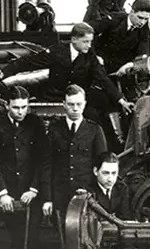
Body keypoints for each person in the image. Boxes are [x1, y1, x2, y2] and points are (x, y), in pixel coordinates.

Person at [0, 23, 133, 148]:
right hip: (57, 95)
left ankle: (112, 147)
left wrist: (121, 100)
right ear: (74, 40)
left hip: (80, 96)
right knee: (90, 115)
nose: (89, 46)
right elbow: (29, 62)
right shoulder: (57, 51)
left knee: (102, 106)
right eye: (85, 42)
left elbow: (103, 78)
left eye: (90, 42)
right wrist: (4, 73)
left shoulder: (89, 56)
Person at [0, 86, 49, 249]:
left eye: (24, 107)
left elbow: (43, 159)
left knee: (31, 239)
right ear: (7, 105)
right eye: (16, 107)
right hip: (9, 193)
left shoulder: (35, 123)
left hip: (31, 193)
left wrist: (34, 189)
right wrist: (2, 192)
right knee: (13, 240)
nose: (21, 111)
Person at [41, 85, 108, 223]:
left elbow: (102, 167)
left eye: (79, 104)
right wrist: (47, 198)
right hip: (60, 197)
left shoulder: (94, 130)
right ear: (64, 105)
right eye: (71, 104)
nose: (75, 108)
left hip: (87, 197)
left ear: (85, 104)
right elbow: (47, 166)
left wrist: (98, 198)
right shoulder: (54, 130)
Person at [91, 0, 150, 76]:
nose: (142, 22)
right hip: (101, 62)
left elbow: (143, 51)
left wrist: (131, 64)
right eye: (140, 17)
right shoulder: (114, 19)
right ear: (132, 12)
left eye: (146, 19)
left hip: (122, 67)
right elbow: (89, 30)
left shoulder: (144, 29)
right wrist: (94, 56)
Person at [87, 152, 132, 220]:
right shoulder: (89, 191)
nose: (110, 179)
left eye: (114, 173)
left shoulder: (122, 188)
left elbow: (125, 217)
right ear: (95, 171)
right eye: (106, 173)